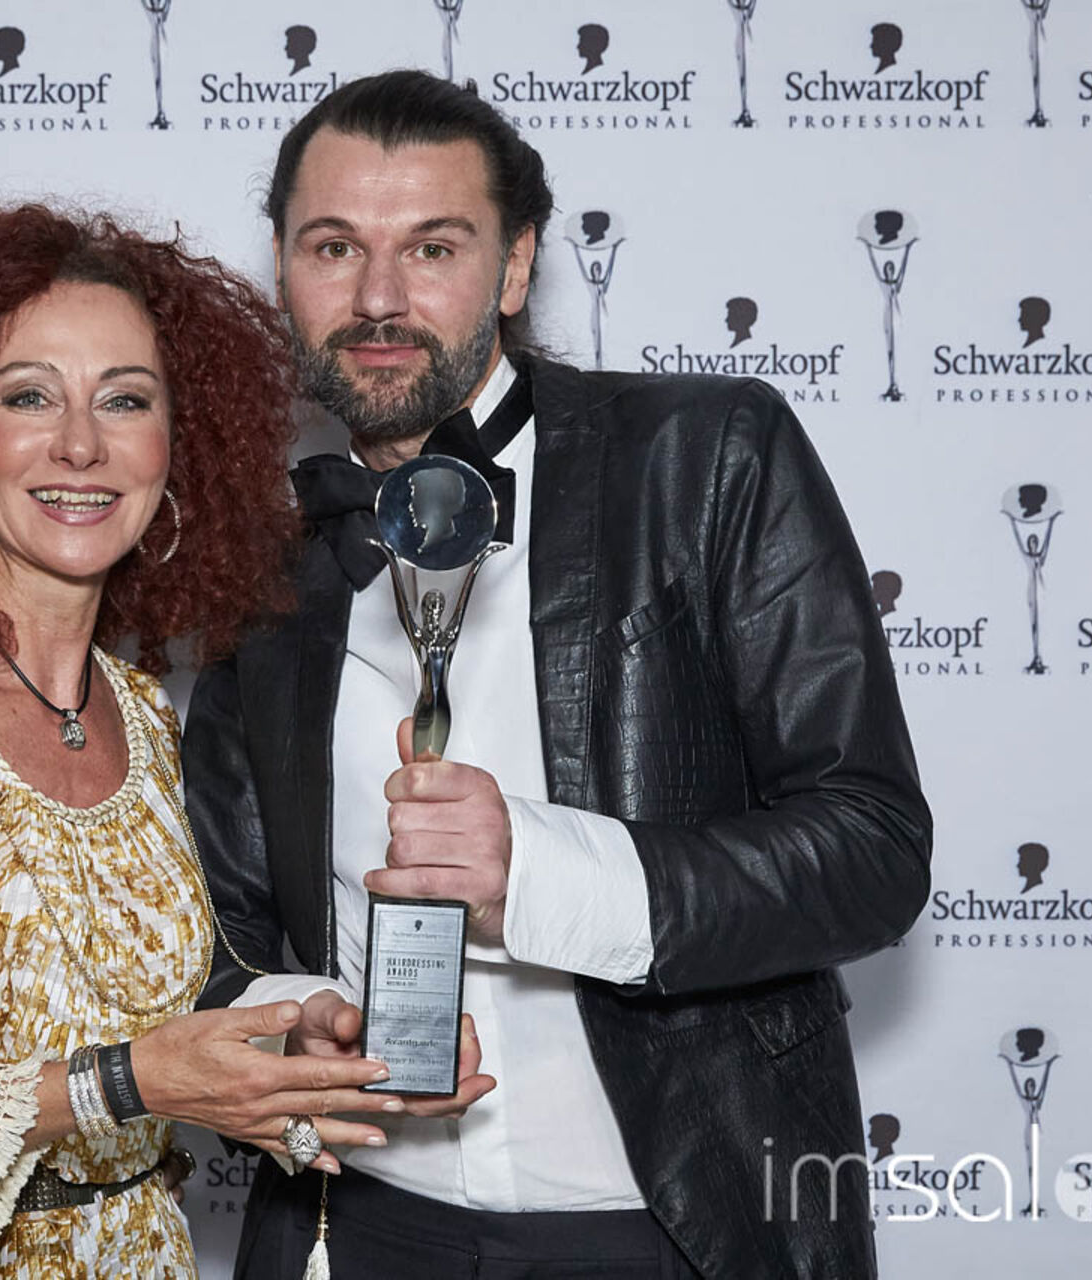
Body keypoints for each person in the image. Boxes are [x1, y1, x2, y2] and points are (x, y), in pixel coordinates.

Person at [183, 71, 930, 1278]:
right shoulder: (262, 560)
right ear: (283, 269)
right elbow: (227, 929)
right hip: (356, 1224)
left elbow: (872, 848)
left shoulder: (706, 459)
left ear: (516, 266)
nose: (378, 297)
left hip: (679, 1229)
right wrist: (295, 1028)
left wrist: (534, 869)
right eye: (335, 247)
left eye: (434, 247)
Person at [0, 204, 407, 1280]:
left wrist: (291, 1044)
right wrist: (129, 1083)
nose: (83, 444)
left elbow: (155, 1017)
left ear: (179, 450)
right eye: (28, 395)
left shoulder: (142, 712)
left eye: (126, 399)